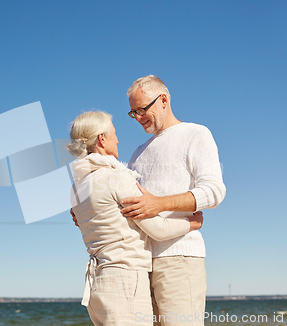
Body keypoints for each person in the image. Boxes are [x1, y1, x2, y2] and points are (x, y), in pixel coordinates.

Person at [67, 111, 204, 326]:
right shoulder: (116, 177)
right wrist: (192, 223)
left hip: (98, 285)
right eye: (114, 133)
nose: (118, 139)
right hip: (125, 283)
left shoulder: (77, 187)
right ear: (102, 138)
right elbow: (157, 228)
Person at [120, 75, 226, 326]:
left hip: (180, 259)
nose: (137, 117)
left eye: (142, 109)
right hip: (142, 263)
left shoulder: (195, 133)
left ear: (164, 100)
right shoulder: (138, 152)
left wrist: (160, 204)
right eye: (133, 112)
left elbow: (214, 191)